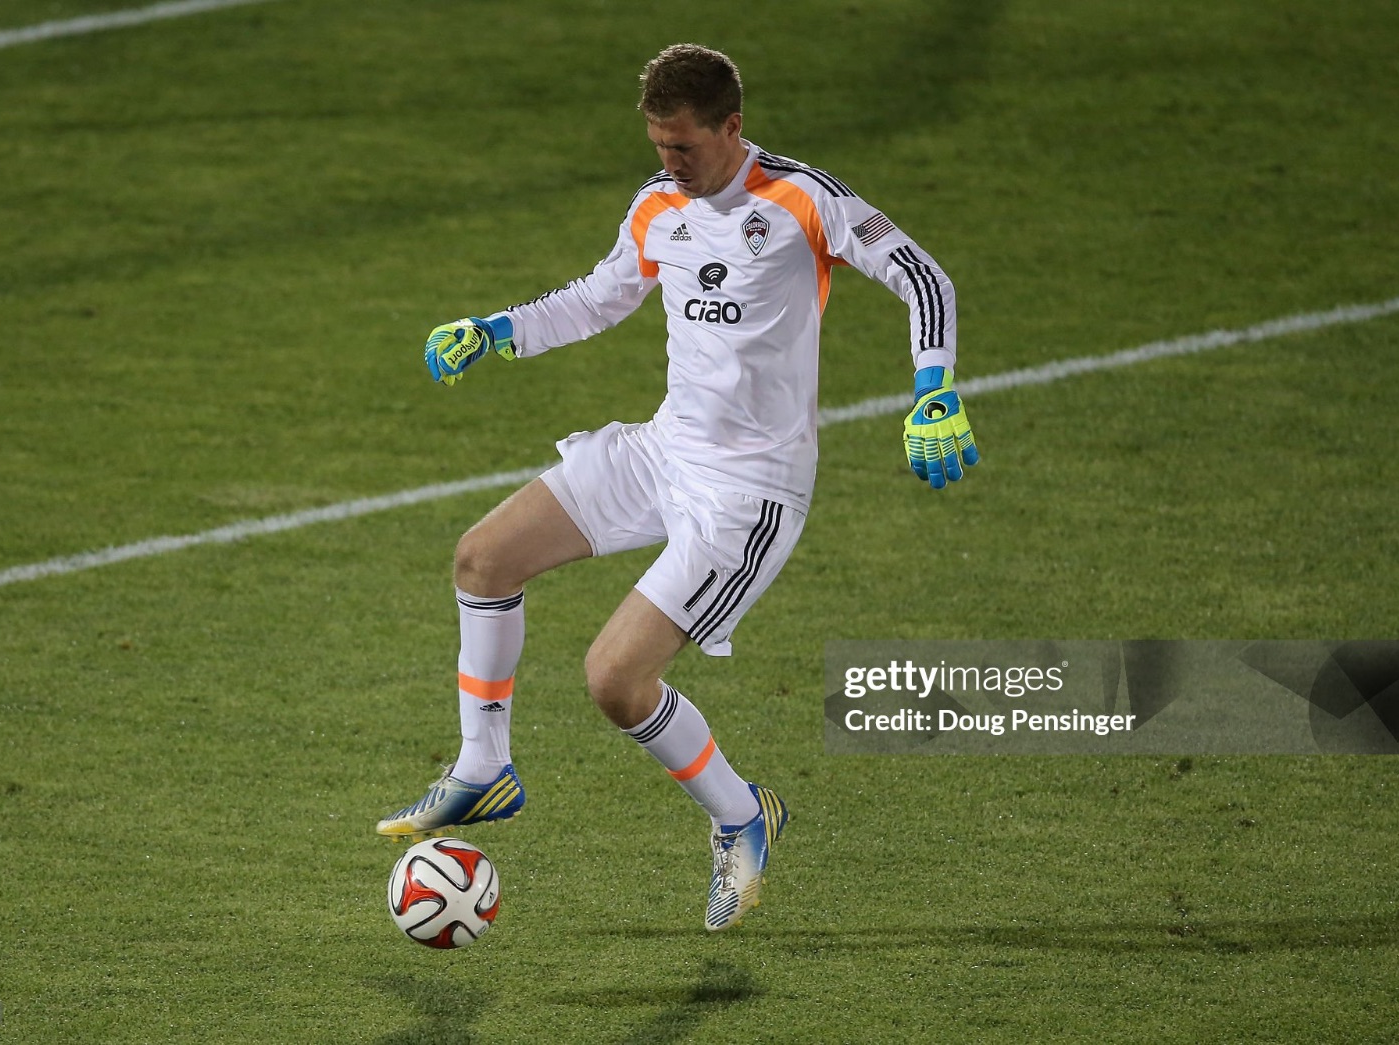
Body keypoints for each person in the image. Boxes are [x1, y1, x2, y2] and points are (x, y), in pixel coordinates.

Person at [376, 43, 978, 931]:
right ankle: (482, 766)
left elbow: (923, 275)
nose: (669, 165)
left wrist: (935, 389)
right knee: (483, 557)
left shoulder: (804, 200)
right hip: (664, 449)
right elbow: (599, 296)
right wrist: (496, 329)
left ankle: (742, 814)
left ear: (732, 128)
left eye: (684, 147)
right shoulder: (660, 204)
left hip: (748, 494)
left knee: (614, 680)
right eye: (659, 147)